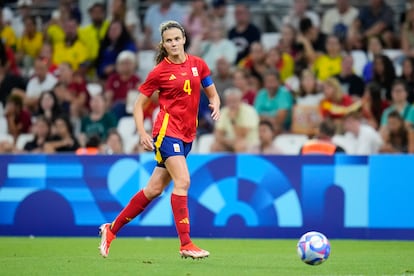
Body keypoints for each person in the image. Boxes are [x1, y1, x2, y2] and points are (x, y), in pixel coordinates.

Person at [98, 20, 220, 259]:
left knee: (153, 189)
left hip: (187, 135)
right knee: (183, 181)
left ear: (184, 38)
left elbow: (211, 91)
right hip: (167, 132)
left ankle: (111, 230)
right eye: (168, 40)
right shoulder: (160, 72)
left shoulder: (199, 65)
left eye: (177, 38)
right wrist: (142, 132)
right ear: (163, 45)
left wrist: (215, 102)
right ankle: (186, 244)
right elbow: (138, 104)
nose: (173, 43)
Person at [211, 87, 258, 153]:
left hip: (248, 142)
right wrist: (227, 141)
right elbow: (218, 133)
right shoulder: (224, 111)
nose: (232, 104)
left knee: (239, 145)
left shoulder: (249, 111)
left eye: (234, 101)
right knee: (215, 146)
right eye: (229, 101)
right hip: (229, 142)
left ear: (240, 100)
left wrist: (232, 120)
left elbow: (241, 135)